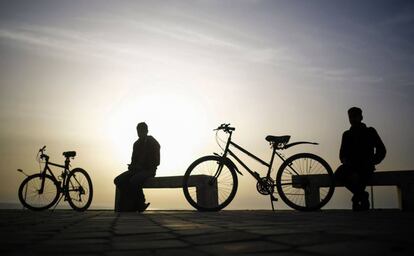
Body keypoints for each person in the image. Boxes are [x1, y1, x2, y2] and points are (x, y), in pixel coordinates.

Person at [335, 107, 386, 211]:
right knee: (337, 175)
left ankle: (358, 198)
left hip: (366, 166)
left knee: (361, 180)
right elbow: (342, 154)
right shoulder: (346, 134)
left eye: (355, 116)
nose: (352, 119)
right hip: (350, 166)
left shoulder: (370, 131)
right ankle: (362, 196)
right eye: (350, 117)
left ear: (361, 117)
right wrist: (345, 161)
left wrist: (373, 161)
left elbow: (381, 150)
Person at [114, 122, 160, 212]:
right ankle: (128, 204)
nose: (139, 133)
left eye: (142, 131)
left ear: (146, 131)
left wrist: (142, 166)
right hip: (136, 170)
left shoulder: (153, 142)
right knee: (118, 180)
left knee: (134, 180)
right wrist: (132, 166)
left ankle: (140, 203)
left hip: (149, 170)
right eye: (138, 131)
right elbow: (133, 160)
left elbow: (156, 161)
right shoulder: (136, 144)